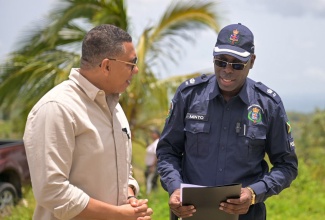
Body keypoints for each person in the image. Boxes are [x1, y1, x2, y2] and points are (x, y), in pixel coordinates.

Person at [156, 23, 298, 220]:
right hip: (190, 215)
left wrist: (254, 193)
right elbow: (167, 151)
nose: (227, 70)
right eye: (221, 61)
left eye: (237, 64)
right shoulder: (189, 95)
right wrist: (175, 188)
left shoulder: (268, 105)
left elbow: (286, 165)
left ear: (252, 61)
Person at [23, 24, 153, 220]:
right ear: (107, 66)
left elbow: (123, 172)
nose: (135, 71)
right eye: (131, 63)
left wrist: (130, 199)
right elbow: (52, 191)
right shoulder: (58, 108)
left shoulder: (115, 108)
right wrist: (118, 215)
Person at [144, 129, 160, 194]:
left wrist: (153, 166)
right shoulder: (154, 142)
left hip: (153, 165)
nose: (152, 135)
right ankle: (153, 194)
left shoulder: (157, 142)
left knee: (150, 180)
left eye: (154, 133)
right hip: (150, 165)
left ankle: (149, 194)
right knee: (152, 180)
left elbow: (156, 155)